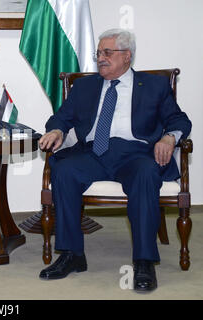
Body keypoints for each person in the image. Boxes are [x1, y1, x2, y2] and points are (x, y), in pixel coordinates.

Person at [38, 28, 191, 292]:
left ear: (127, 56)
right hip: (93, 153)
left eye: (108, 52)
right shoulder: (85, 86)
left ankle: (144, 261)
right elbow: (61, 117)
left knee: (146, 174)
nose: (101, 58)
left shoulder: (154, 85)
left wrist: (169, 139)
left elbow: (179, 120)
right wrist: (56, 130)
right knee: (63, 170)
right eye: (99, 53)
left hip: (135, 155)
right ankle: (73, 254)